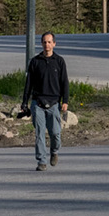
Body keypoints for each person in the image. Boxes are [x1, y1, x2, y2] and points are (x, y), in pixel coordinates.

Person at [20, 32, 70, 170]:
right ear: (41, 44)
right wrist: (25, 103)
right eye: (44, 42)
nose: (46, 45)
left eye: (49, 42)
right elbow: (28, 84)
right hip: (38, 103)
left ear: (54, 43)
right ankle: (41, 161)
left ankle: (54, 151)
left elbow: (64, 82)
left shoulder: (59, 61)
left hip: (54, 103)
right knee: (39, 133)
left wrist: (65, 101)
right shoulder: (35, 62)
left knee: (55, 133)